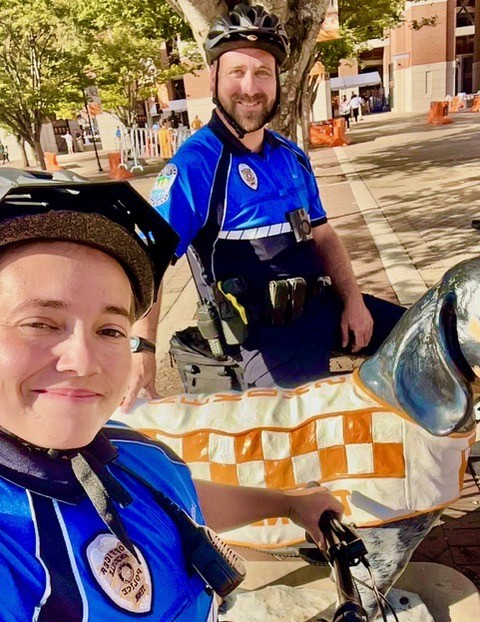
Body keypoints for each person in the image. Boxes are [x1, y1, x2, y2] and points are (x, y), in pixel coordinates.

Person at [0, 180, 342, 620]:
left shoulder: (130, 451)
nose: (83, 362)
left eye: (110, 330)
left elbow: (175, 497)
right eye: (40, 324)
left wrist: (289, 504)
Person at [148, 3, 404, 389]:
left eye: (263, 73)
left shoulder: (291, 155)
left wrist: (353, 301)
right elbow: (148, 260)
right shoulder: (195, 164)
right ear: (214, 77)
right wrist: (140, 349)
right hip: (262, 341)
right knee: (307, 421)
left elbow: (323, 235)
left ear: (277, 81)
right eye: (237, 72)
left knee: (428, 338)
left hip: (322, 309)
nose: (250, 87)